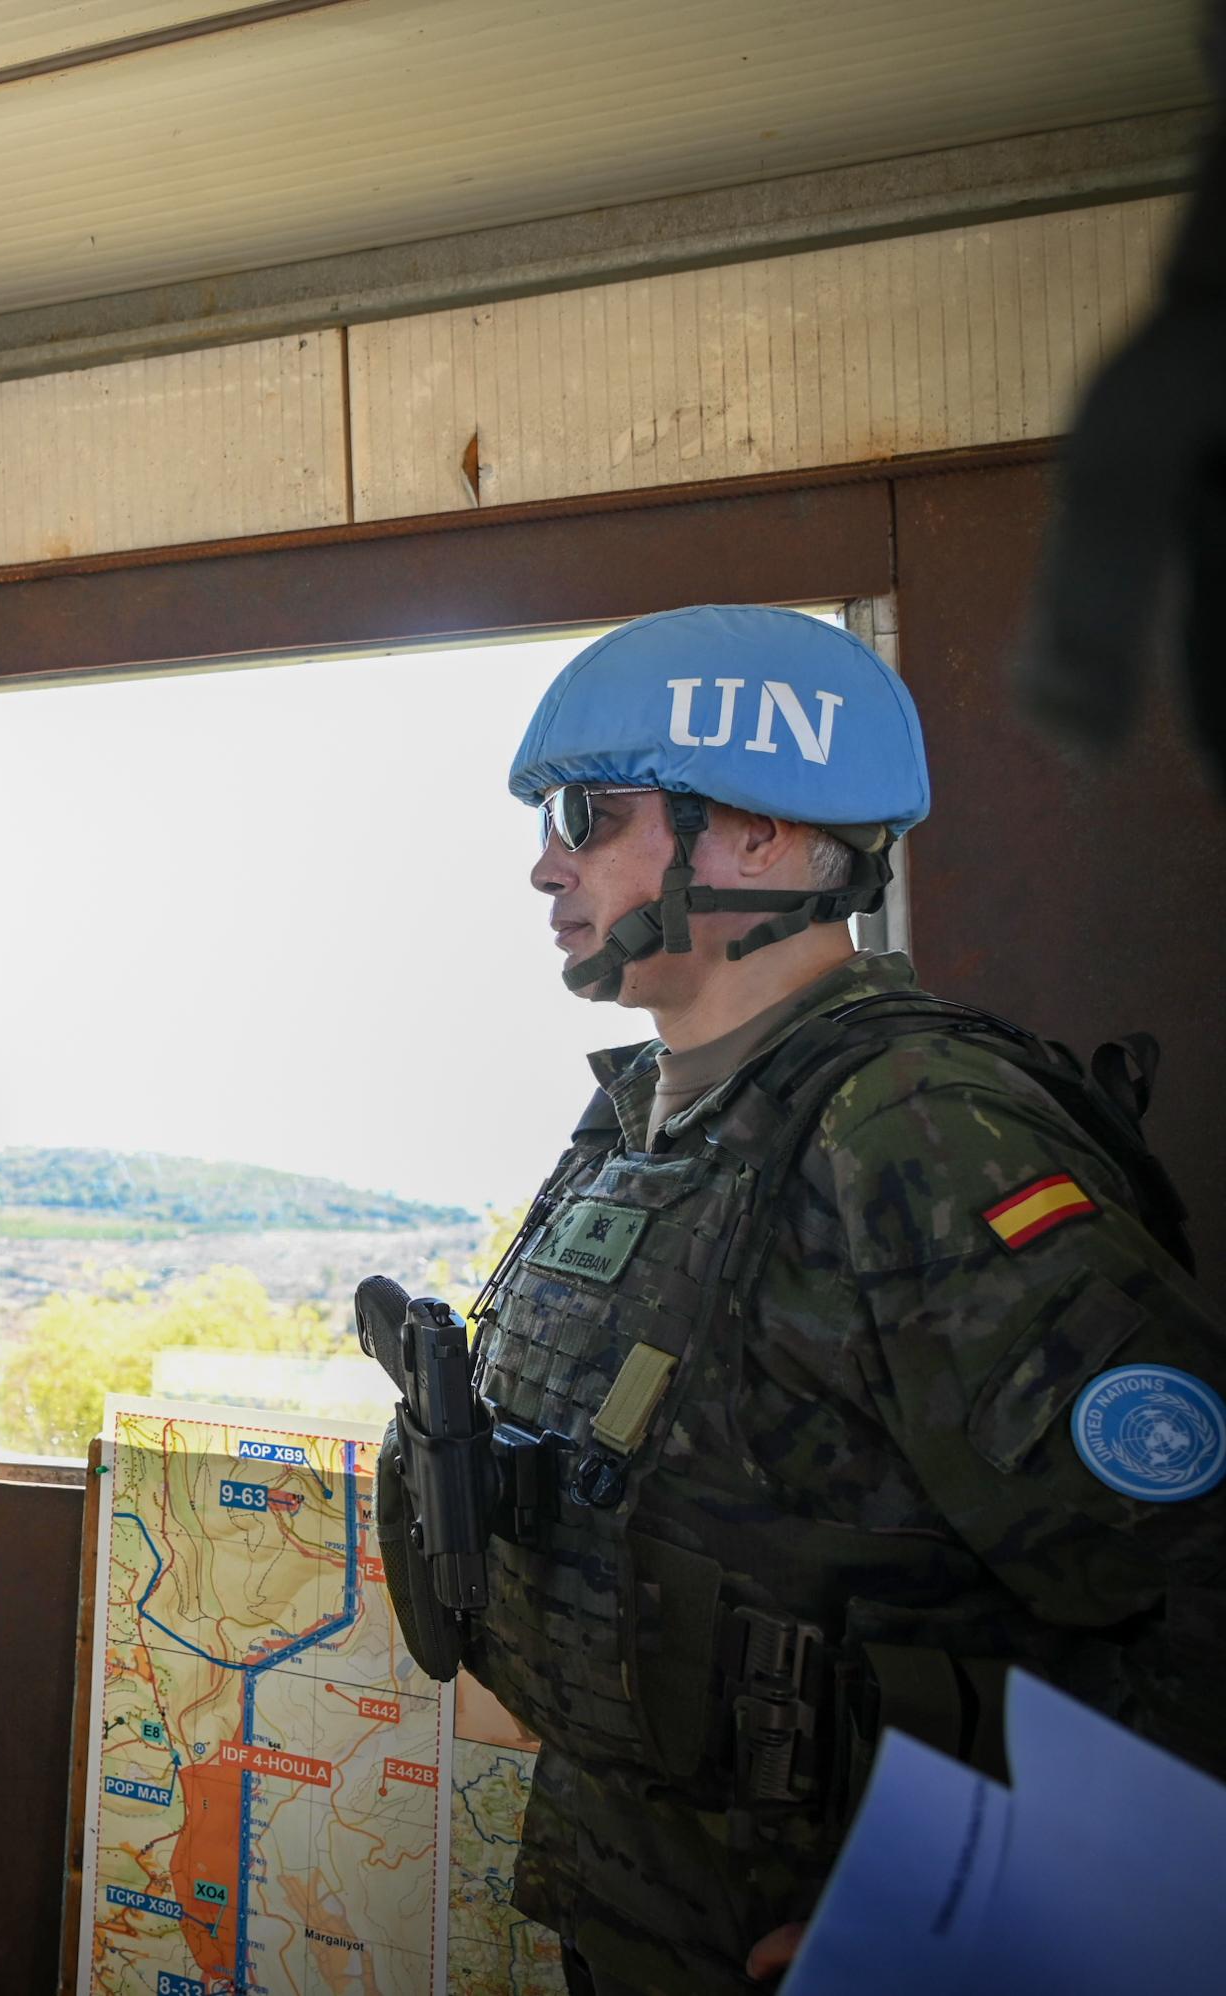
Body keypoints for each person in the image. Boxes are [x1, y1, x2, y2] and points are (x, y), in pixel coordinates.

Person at [383, 605, 1226, 1996]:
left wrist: (997, 1910)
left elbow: (1195, 1578)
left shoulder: (917, 1133)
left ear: (760, 834)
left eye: (590, 815)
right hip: (643, 1904)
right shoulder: (639, 1126)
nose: (545, 866)